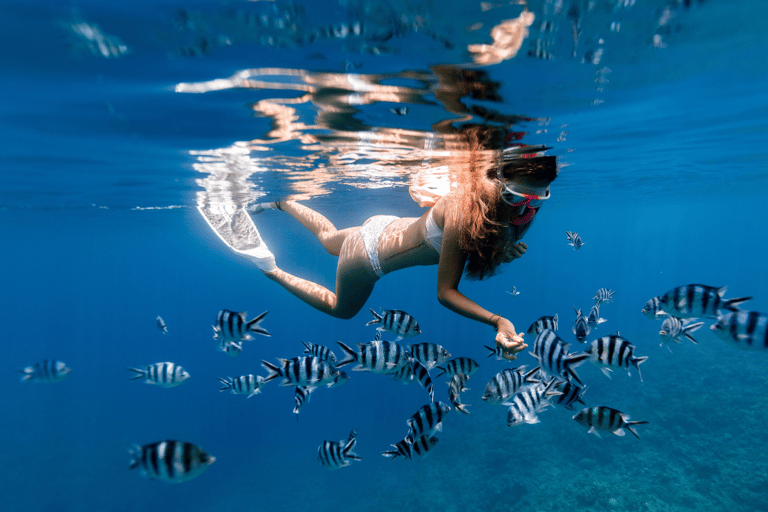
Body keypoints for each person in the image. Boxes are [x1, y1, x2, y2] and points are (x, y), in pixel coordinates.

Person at [243, 127, 557, 361]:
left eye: (537, 199)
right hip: (367, 258)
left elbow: (487, 239)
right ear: (499, 180)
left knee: (328, 240)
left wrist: (502, 251)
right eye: (517, 197)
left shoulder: (514, 209)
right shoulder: (465, 209)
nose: (525, 208)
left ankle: (282, 203)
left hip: (384, 227)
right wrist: (497, 320)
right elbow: (445, 292)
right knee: (340, 310)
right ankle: (270, 269)